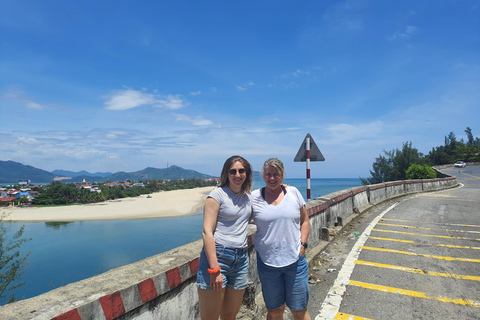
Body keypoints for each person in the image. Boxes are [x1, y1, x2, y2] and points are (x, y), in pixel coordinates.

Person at [251, 158, 311, 320]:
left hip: (295, 262)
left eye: (276, 174)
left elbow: (305, 220)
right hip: (268, 263)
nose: (272, 178)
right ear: (263, 175)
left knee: (299, 310)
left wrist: (303, 244)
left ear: (282, 175)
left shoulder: (293, 193)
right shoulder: (254, 198)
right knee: (275, 311)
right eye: (268, 174)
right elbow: (238, 216)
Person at [197, 155, 253, 320]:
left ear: (247, 173)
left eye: (241, 171)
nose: (237, 175)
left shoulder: (248, 198)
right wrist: (214, 269)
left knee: (230, 316)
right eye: (233, 171)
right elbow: (207, 232)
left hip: (241, 259)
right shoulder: (217, 195)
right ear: (226, 174)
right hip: (219, 257)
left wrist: (282, 188)